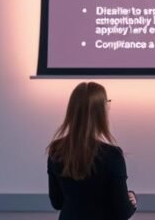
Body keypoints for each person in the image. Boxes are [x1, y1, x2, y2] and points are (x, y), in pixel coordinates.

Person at [47, 82, 137, 220]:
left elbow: (57, 202)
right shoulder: (112, 155)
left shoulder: (56, 151)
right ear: (101, 111)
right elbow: (122, 212)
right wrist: (132, 200)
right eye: (107, 103)